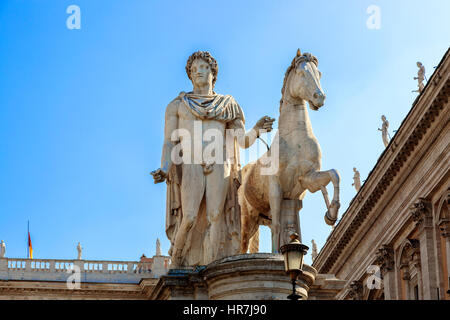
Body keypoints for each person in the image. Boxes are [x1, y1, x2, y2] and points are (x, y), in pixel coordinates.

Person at [151, 51, 274, 266]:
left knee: (216, 216)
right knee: (189, 217)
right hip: (192, 162)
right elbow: (169, 141)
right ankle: (178, 258)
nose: (198, 71)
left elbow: (241, 141)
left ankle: (212, 266)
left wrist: (256, 130)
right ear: (189, 75)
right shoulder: (177, 105)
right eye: (194, 69)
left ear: (212, 72)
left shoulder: (227, 104)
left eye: (203, 67)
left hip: (220, 162)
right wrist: (164, 167)